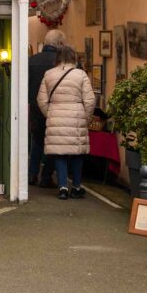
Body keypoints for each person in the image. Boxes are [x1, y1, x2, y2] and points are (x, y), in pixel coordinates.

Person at [37, 45, 95, 200]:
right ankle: (76, 187)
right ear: (73, 58)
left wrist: (50, 113)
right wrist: (86, 117)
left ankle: (62, 187)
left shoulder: (49, 74)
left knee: (59, 154)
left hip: (55, 114)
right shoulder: (80, 74)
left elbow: (41, 100)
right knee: (77, 154)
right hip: (76, 116)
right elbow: (90, 100)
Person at [28, 29, 64, 187]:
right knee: (54, 143)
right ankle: (47, 176)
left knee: (37, 142)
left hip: (35, 109)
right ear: (60, 44)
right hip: (57, 109)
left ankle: (32, 174)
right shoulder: (62, 64)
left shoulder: (32, 61)